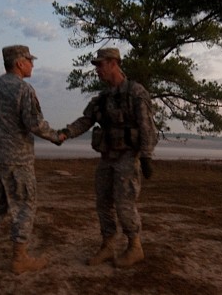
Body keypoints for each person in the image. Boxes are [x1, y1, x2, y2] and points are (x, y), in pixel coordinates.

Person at [0, 45, 64, 274]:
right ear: (19, 63)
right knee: (25, 206)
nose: (33, 64)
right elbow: (35, 124)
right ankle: (20, 258)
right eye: (30, 60)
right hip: (17, 162)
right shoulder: (23, 89)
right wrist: (56, 137)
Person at [59, 48, 157, 268]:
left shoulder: (135, 93)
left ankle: (135, 247)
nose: (97, 70)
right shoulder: (102, 98)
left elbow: (146, 126)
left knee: (124, 203)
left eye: (100, 65)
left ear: (114, 63)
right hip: (107, 157)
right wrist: (66, 132)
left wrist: (146, 157)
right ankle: (108, 246)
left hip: (127, 157)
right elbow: (86, 120)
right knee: (103, 203)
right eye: (96, 66)